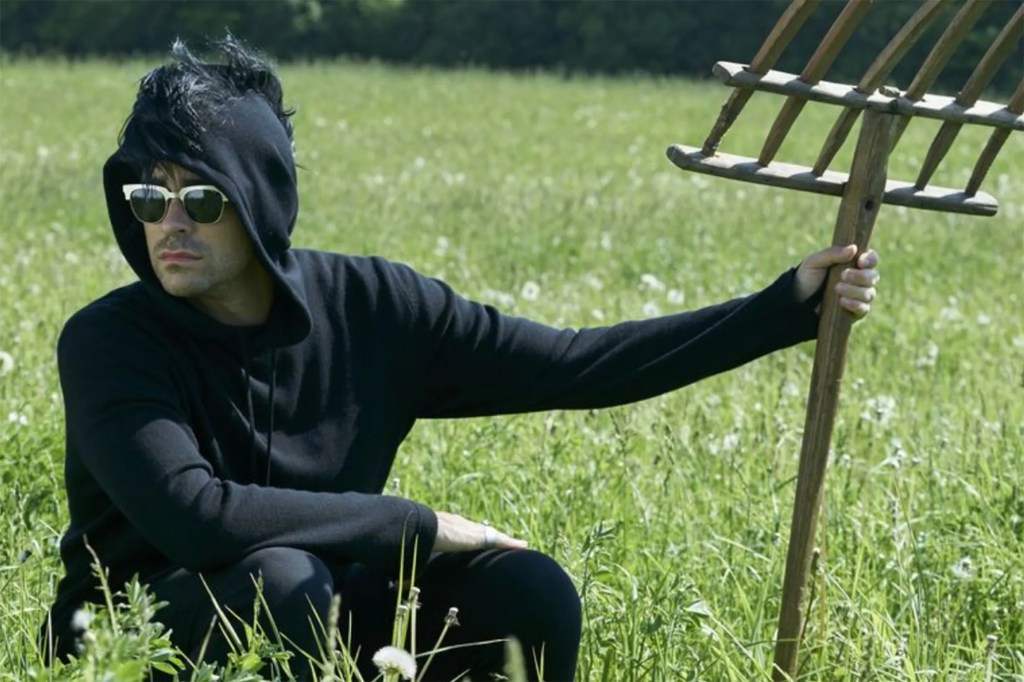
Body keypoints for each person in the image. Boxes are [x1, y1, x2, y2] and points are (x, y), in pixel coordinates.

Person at [42, 37, 880, 681]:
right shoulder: (109, 341)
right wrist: (419, 528)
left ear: (258, 199)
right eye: (148, 196)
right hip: (130, 638)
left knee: (527, 589)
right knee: (284, 579)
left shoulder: (373, 308)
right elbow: (194, 516)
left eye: (199, 197)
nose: (168, 224)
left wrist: (782, 310)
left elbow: (575, 364)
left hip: (318, 607)